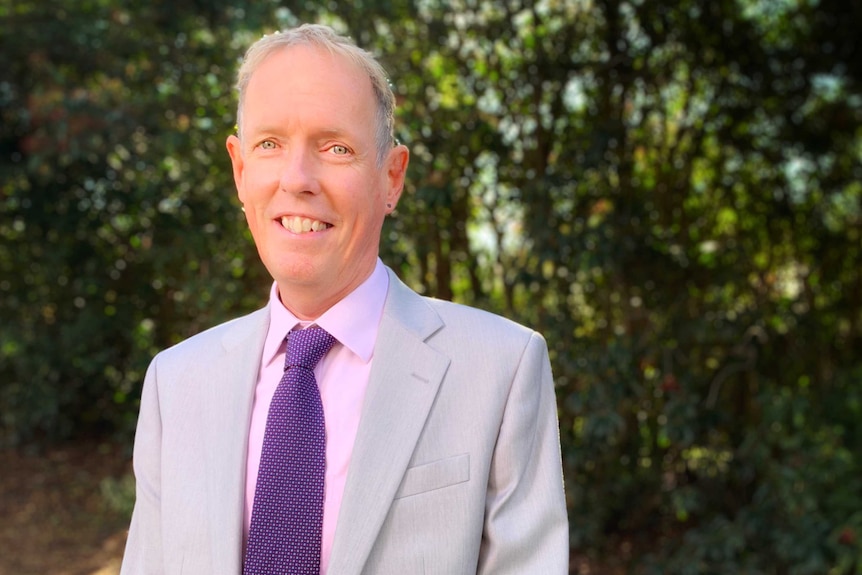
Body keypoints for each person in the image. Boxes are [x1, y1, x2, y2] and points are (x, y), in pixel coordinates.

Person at [120, 23, 568, 575]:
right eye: (270, 144)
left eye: (336, 147)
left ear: (391, 178)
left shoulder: (501, 367)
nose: (298, 178)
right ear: (239, 170)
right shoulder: (175, 382)